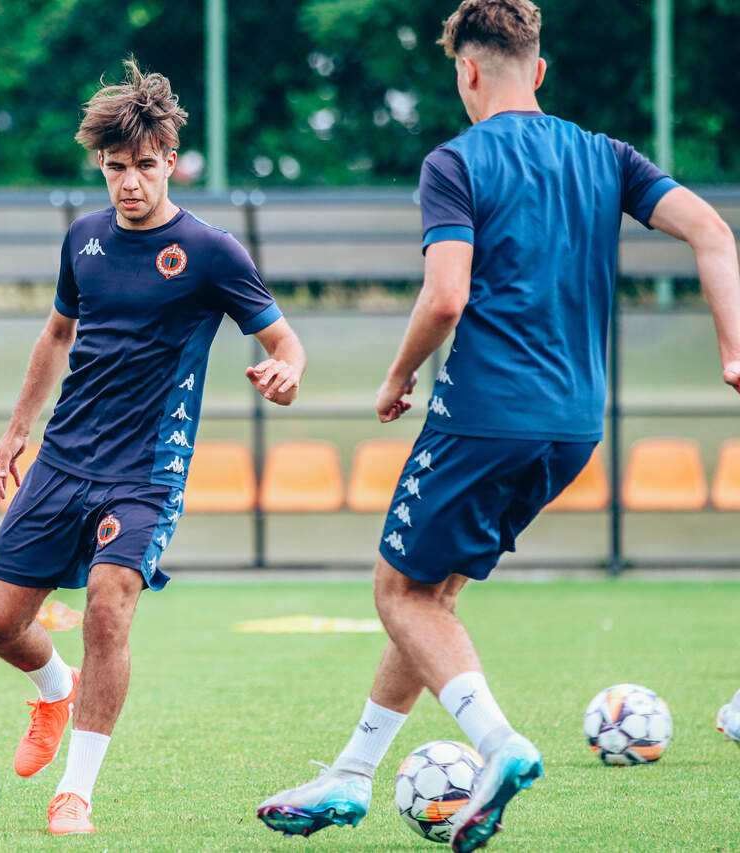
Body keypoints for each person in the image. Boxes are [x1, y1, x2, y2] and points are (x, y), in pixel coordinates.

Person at [256, 0, 740, 850]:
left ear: (467, 71)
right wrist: (733, 351)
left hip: (484, 414)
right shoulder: (607, 156)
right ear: (539, 69)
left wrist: (398, 375)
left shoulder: (455, 161)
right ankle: (350, 775)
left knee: (398, 592)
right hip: (574, 426)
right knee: (433, 595)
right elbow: (712, 232)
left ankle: (499, 743)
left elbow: (446, 296)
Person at [0, 59, 306, 837]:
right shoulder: (83, 240)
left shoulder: (211, 251)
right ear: (101, 163)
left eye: (146, 166)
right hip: (63, 458)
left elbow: (284, 340)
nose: (130, 182)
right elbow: (58, 334)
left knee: (108, 602)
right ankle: (56, 691)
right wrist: (18, 427)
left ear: (171, 163)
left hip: (146, 472)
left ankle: (75, 792)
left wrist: (286, 371)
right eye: (117, 166)